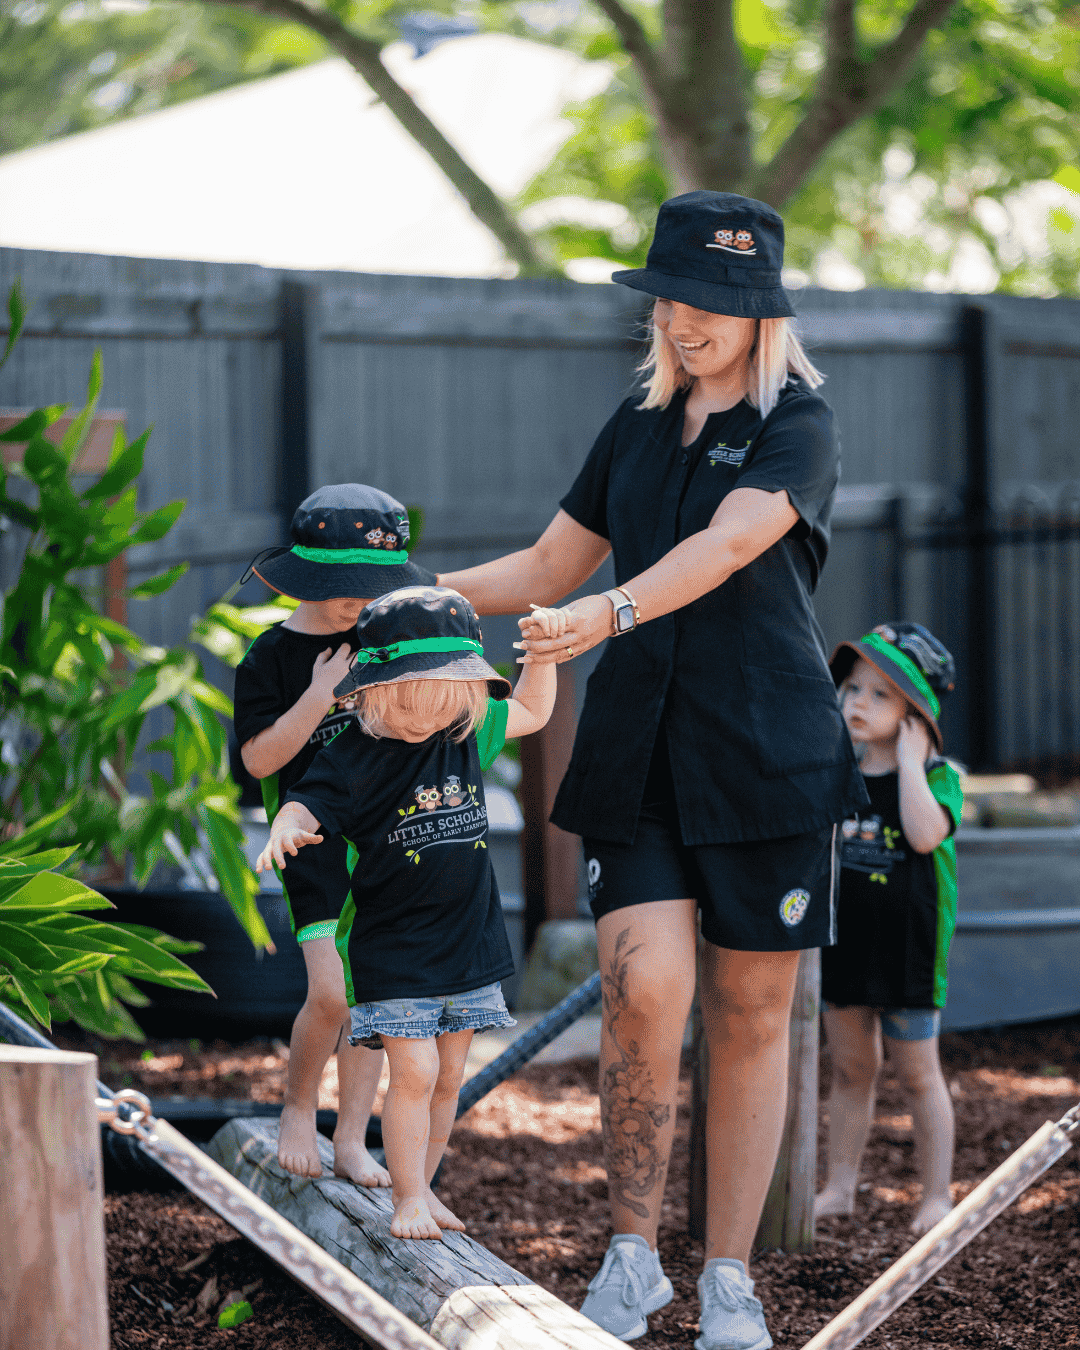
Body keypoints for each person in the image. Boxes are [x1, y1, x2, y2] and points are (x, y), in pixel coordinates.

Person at [438, 191, 868, 1350]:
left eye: (716, 303)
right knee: (642, 991)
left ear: (761, 311)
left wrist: (604, 614)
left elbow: (727, 548)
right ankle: (631, 1257)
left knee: (750, 1009)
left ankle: (728, 1275)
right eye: (673, 296)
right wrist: (424, 596)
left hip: (768, 755)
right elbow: (544, 562)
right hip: (637, 755)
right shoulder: (631, 428)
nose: (689, 320)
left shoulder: (800, 425)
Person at [254, 586, 566, 1239]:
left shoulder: (464, 735)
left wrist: (543, 654)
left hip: (469, 940)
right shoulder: (355, 756)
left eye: (440, 700)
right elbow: (304, 800)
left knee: (451, 1075)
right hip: (395, 946)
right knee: (416, 1070)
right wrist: (286, 828)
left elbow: (534, 708)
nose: (423, 718)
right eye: (408, 701)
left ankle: (424, 1186)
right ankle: (405, 1200)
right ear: (374, 691)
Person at [234, 483, 434, 1184]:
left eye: (375, 585)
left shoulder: (380, 640)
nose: (362, 598)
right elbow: (259, 759)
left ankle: (352, 1136)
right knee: (332, 994)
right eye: (347, 585)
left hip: (384, 843)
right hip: (311, 843)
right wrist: (322, 693)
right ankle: (297, 1106)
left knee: (371, 999)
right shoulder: (270, 658)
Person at [817, 622, 964, 1236]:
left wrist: (907, 760)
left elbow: (927, 833)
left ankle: (936, 1194)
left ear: (915, 714)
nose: (857, 703)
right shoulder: (835, 768)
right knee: (851, 1070)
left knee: (918, 1074)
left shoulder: (937, 777)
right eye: (853, 689)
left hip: (909, 950)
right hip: (845, 946)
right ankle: (839, 1187)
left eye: (881, 695)